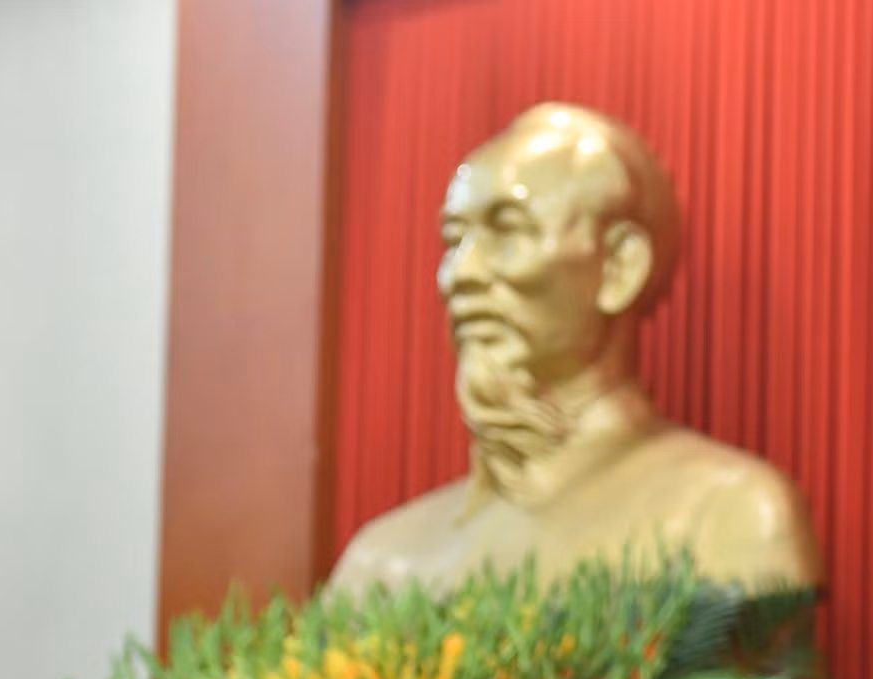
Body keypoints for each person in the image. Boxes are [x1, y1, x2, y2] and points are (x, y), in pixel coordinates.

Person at [329, 103, 820, 594]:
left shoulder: (724, 521)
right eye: (454, 239)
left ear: (619, 267)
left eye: (509, 230)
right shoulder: (382, 563)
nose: (459, 274)